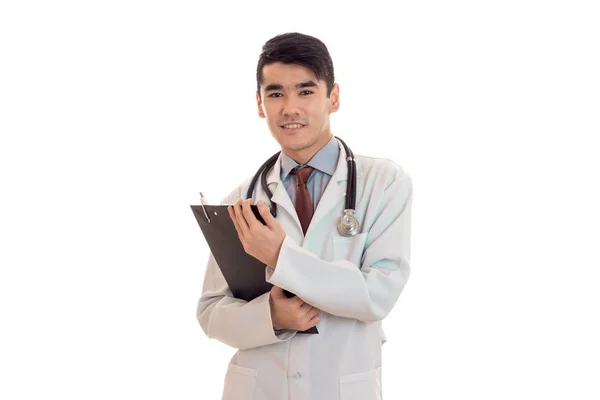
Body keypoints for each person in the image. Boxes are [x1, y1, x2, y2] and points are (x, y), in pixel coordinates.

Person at [196, 32, 413, 400]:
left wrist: (281, 255)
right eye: (276, 93)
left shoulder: (384, 183)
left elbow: (379, 295)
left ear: (334, 97)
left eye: (306, 91)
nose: (290, 108)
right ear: (260, 104)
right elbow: (211, 312)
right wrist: (272, 318)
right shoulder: (241, 199)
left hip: (342, 386)